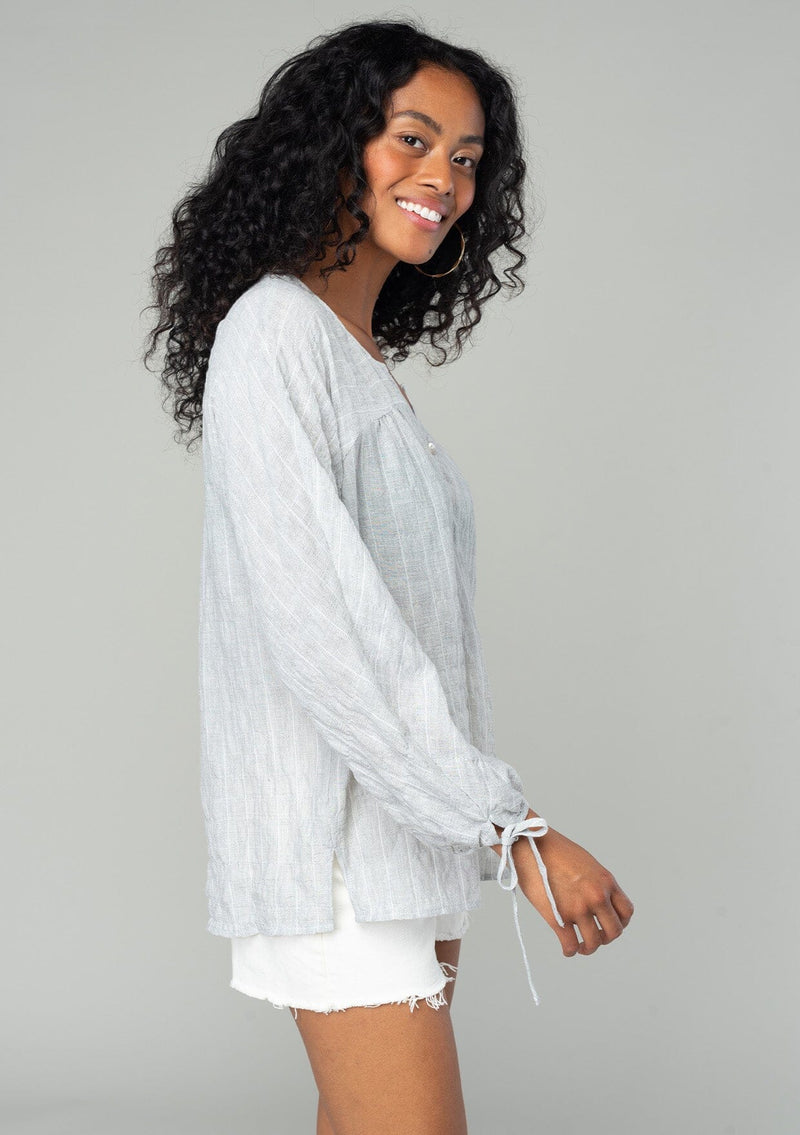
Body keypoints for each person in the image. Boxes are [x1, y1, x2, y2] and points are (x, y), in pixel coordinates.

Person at [143, 17, 634, 1134]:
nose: (443, 180)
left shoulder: (355, 359)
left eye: (466, 159)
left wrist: (473, 826)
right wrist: (512, 828)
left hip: (405, 843)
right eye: (411, 140)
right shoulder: (274, 333)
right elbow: (326, 628)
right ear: (334, 147)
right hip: (336, 850)